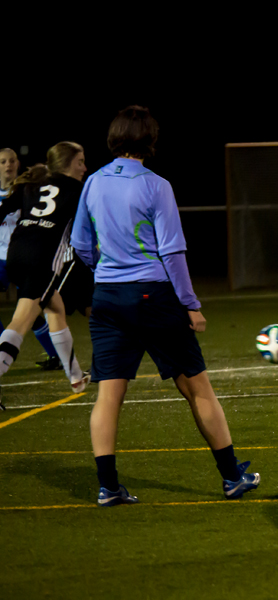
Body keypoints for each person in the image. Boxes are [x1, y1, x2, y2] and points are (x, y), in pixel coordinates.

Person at [71, 106, 259, 507]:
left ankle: (108, 487)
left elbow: (81, 244)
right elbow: (172, 252)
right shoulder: (156, 185)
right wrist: (190, 304)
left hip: (106, 297)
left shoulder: (93, 182)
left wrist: (107, 271)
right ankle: (232, 477)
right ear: (149, 139)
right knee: (197, 388)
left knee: (108, 394)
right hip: (152, 296)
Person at [0, 143, 92, 408]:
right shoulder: (77, 190)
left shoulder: (32, 183)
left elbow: (3, 209)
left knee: (55, 308)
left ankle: (75, 377)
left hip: (16, 255)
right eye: (80, 161)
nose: (84, 168)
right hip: (42, 259)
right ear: (66, 164)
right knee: (20, 321)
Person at [0, 148, 60, 371]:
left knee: (35, 310)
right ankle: (4, 348)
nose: (8, 165)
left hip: (23, 256)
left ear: (18, 164)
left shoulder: (30, 190)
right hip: (1, 259)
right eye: (3, 161)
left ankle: (55, 356)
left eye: (12, 161)